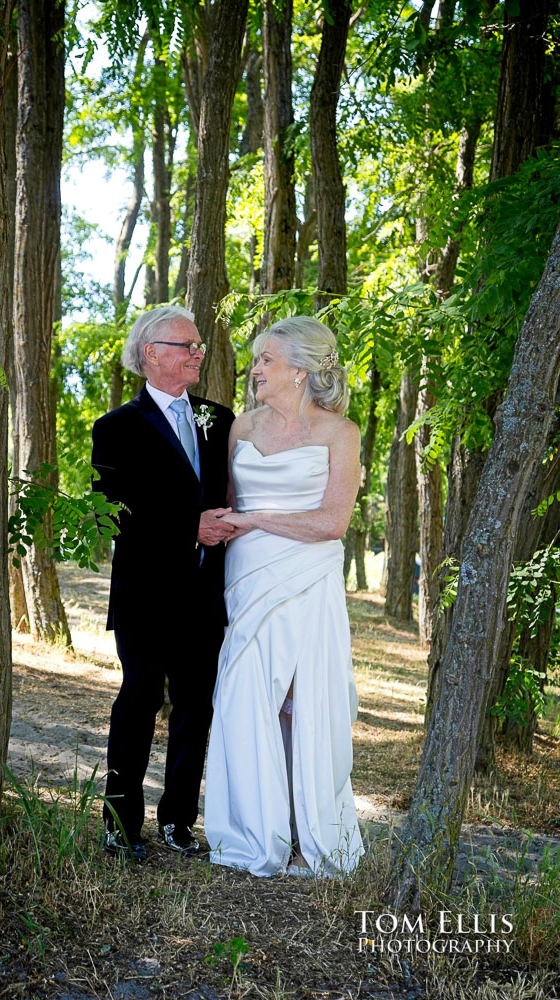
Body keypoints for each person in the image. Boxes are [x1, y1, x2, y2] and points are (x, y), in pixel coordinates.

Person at [204, 316, 364, 877]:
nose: (256, 370)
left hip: (307, 576)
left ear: (299, 371)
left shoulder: (339, 433)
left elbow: (333, 522)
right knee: (245, 698)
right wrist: (227, 524)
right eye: (256, 360)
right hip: (247, 577)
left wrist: (258, 519)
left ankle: (310, 833)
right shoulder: (240, 430)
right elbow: (229, 503)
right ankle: (255, 833)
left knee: (308, 704)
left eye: (267, 360)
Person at [92, 305, 235, 862]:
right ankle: (120, 824)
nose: (198, 352)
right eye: (187, 345)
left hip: (205, 594)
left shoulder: (219, 421)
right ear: (151, 354)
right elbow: (115, 514)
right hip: (145, 596)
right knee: (140, 700)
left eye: (199, 345)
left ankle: (178, 821)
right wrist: (189, 527)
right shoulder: (115, 429)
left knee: (196, 708)